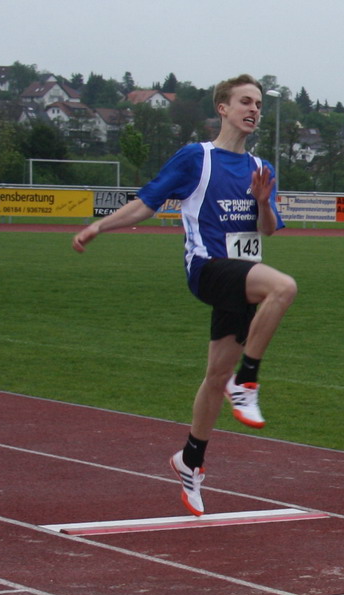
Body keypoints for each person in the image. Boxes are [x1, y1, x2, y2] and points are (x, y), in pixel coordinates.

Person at [72, 74, 297, 516]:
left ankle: (190, 460)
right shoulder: (197, 157)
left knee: (214, 376)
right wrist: (99, 226)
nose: (254, 110)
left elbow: (268, 229)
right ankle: (247, 381)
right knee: (284, 287)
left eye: (258, 104)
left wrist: (263, 201)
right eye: (245, 102)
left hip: (243, 276)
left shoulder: (261, 167)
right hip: (208, 269)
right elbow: (146, 203)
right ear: (223, 108)